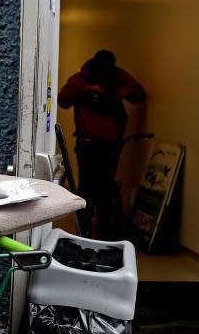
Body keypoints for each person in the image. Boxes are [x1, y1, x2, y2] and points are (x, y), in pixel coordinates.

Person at [58, 50, 145, 238]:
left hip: (111, 144)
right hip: (87, 142)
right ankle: (84, 228)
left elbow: (138, 94)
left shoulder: (118, 76)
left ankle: (105, 229)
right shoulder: (81, 79)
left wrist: (115, 94)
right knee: (87, 187)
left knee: (106, 187)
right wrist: (86, 92)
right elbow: (63, 100)